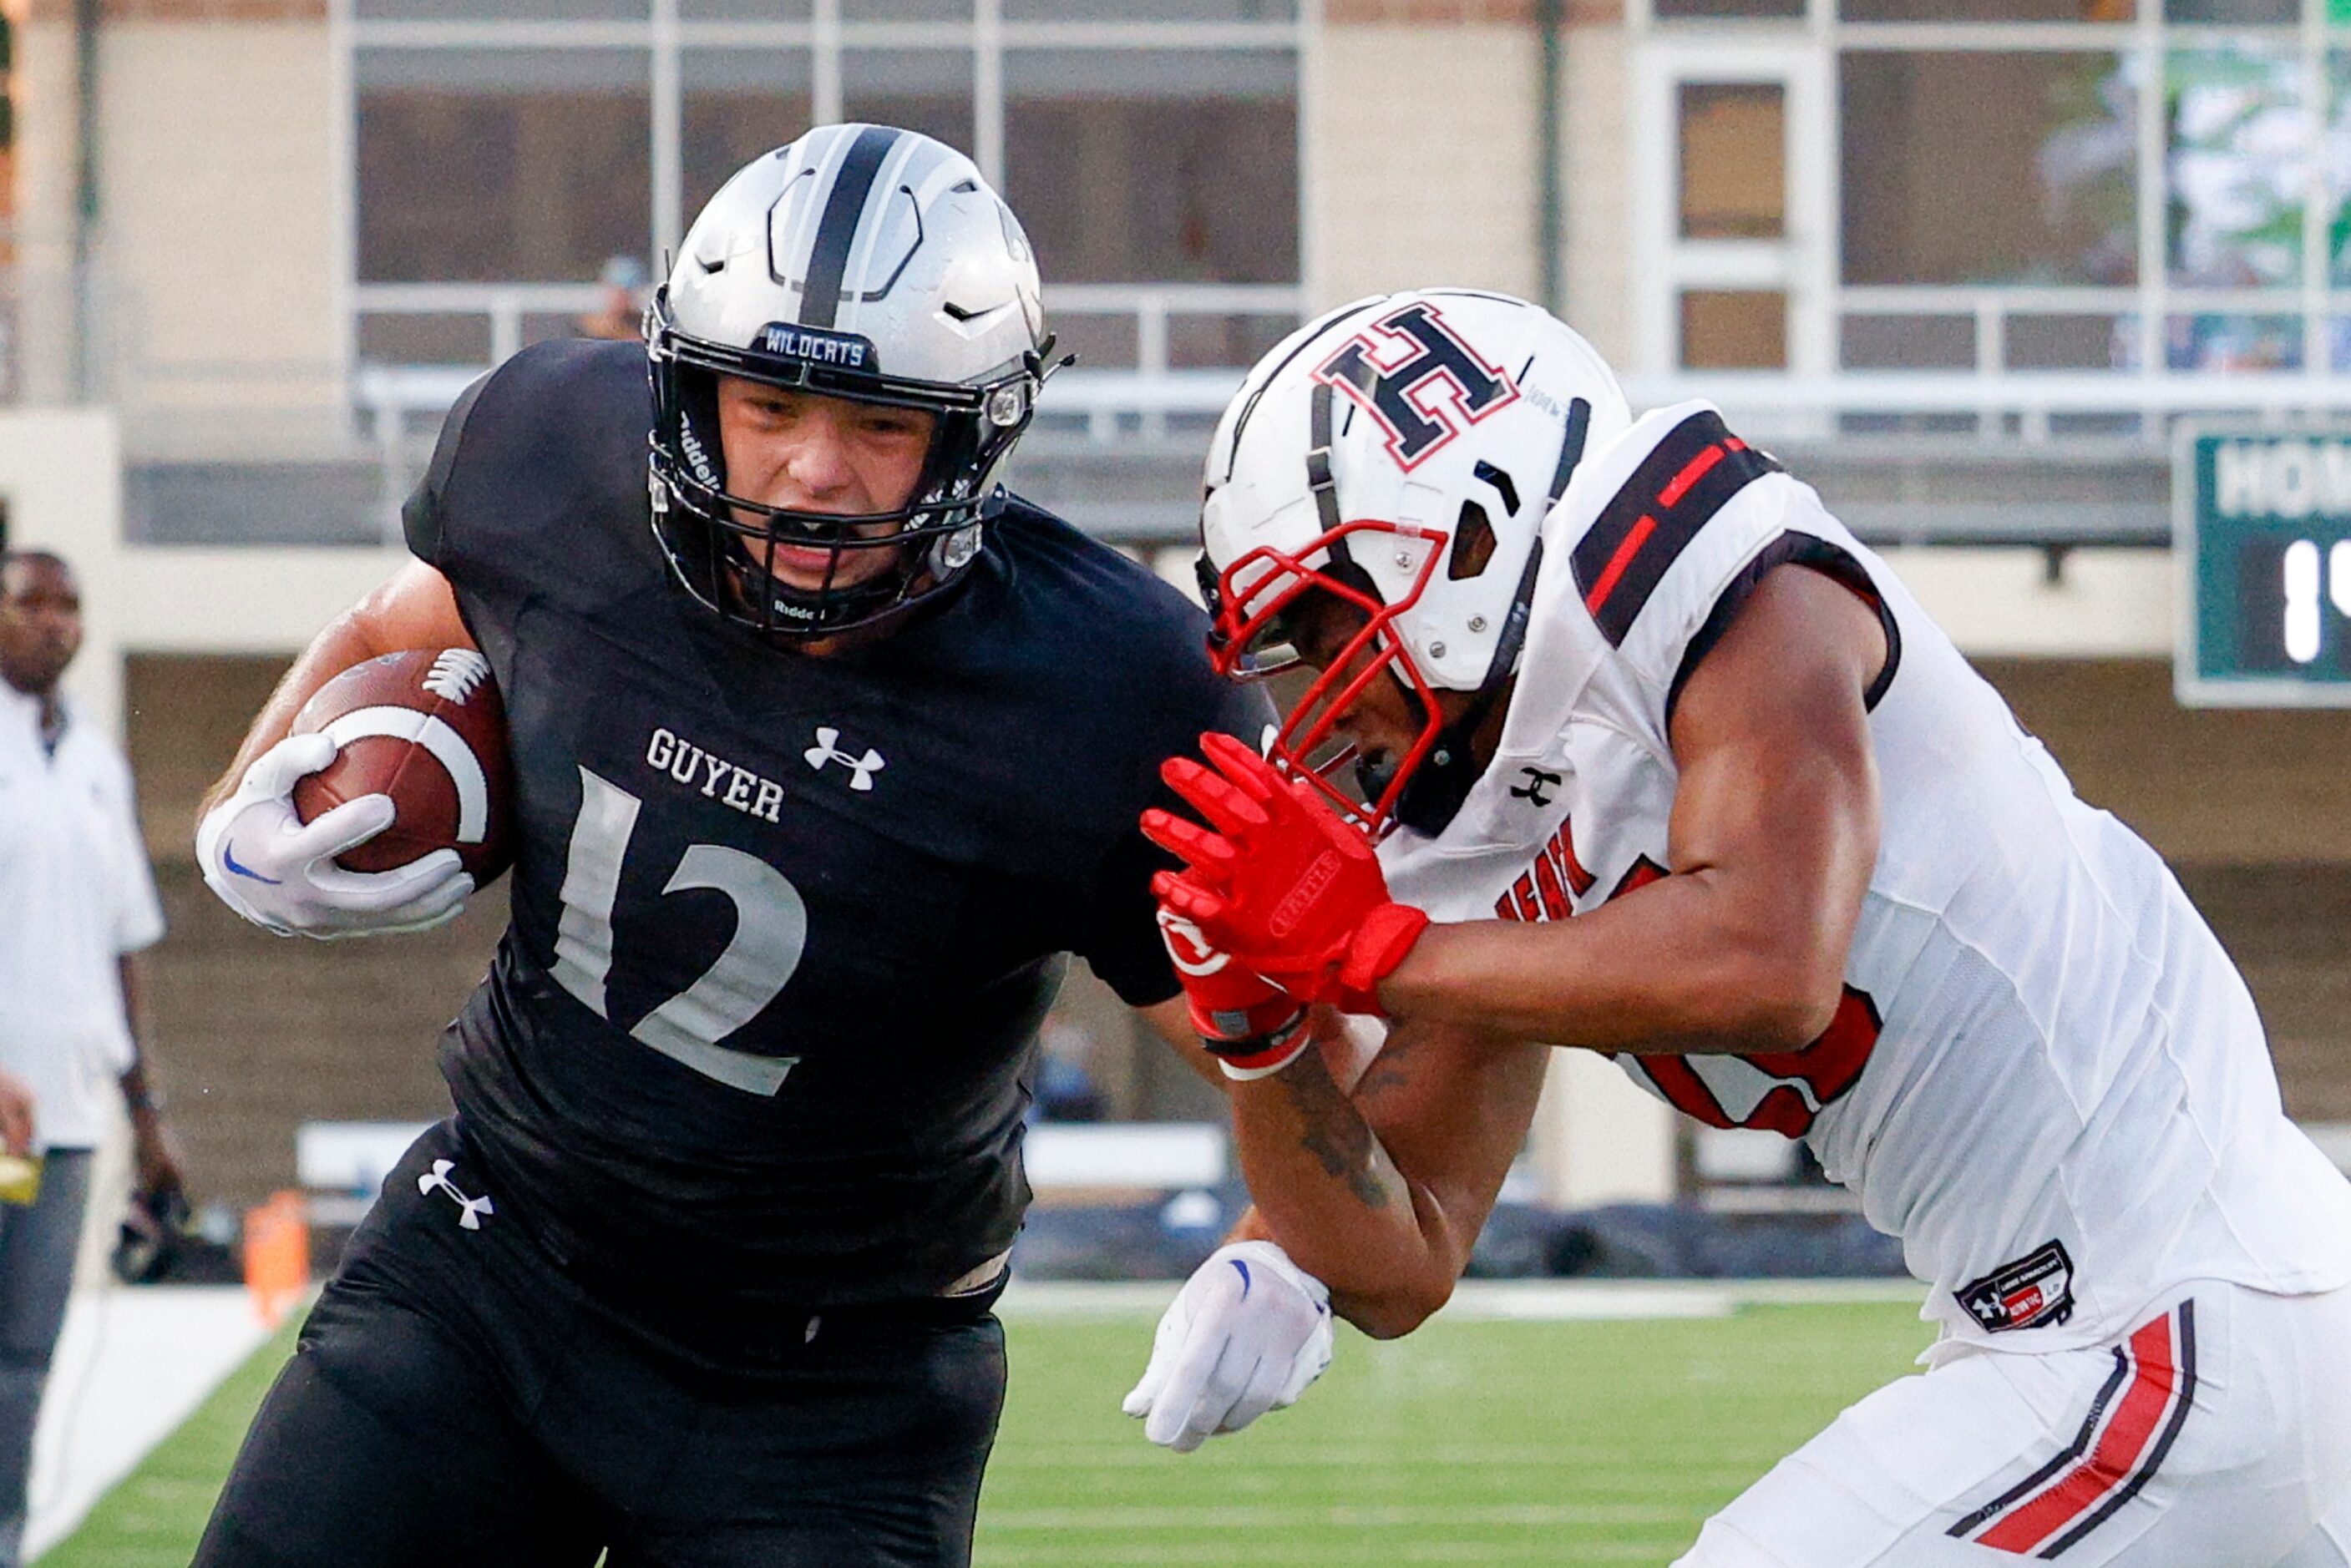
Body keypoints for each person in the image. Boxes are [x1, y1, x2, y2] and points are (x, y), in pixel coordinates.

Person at [1126, 290, 2351, 1565]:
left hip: (2172, 1302)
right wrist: (1261, 1051)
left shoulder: (1692, 555)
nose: (1310, 683)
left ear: (1470, 530)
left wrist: (1368, 951)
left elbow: (1769, 959)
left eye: (1322, 617)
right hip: (2117, 1318)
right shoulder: (1468, 830)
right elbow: (1406, 1252)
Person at [187, 125, 1265, 1568]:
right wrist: (250, 798)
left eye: (882, 424)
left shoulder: (1112, 685)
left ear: (977, 430)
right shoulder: (551, 451)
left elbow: (1268, 1033)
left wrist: (1290, 1247)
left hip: (839, 1384)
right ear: (686, 385)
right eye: (768, 404)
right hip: (495, 1254)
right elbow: (402, 625)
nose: (813, 472)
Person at [0, 549, 180, 1568]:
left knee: (22, 1364)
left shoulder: (99, 763)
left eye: (69, 607)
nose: (55, 624)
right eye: (31, 603)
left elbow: (123, 946)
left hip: (62, 1128)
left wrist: (149, 1118)